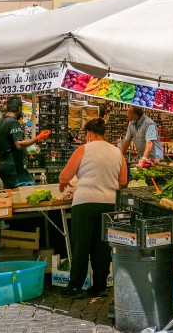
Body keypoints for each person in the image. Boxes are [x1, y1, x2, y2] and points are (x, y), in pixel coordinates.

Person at [58, 118, 126, 299]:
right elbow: (123, 181)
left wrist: (63, 182)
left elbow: (65, 175)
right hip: (110, 204)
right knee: (102, 247)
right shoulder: (117, 152)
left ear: (89, 133)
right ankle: (100, 286)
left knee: (81, 245)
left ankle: (75, 287)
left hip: (85, 202)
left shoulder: (83, 149)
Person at [0, 97, 45, 188]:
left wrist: (6, 145)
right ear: (19, 109)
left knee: (12, 194)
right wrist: (38, 138)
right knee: (27, 191)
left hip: (3, 166)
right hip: (14, 168)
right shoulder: (13, 123)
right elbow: (19, 145)